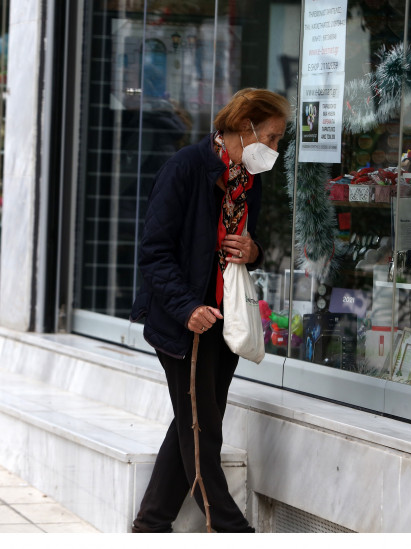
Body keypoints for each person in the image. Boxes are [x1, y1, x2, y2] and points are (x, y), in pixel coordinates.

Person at [129, 88, 289, 533]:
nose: (275, 148)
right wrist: (187, 309)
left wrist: (251, 250)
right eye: (272, 138)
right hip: (186, 324)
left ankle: (151, 525)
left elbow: (250, 247)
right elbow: (154, 253)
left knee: (194, 426)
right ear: (245, 128)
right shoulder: (184, 168)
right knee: (203, 436)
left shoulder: (247, 179)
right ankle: (235, 532)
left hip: (226, 321)